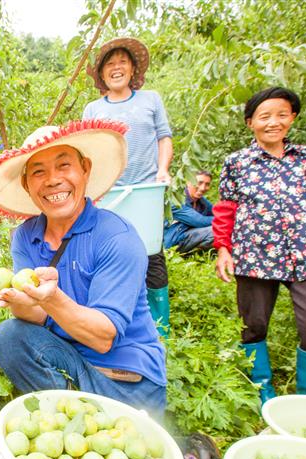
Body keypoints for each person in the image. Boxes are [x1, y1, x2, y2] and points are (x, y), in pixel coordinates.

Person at [0, 120, 167, 417]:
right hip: (72, 357)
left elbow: (102, 338)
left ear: (85, 169)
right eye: (38, 172)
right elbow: (35, 315)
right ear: (27, 184)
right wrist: (16, 299)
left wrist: (51, 299)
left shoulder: (116, 237)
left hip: (125, 380)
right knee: (9, 336)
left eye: (64, 166)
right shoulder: (26, 236)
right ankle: (69, 417)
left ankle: (94, 418)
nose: (52, 180)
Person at [213, 87, 306, 403]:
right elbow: (226, 208)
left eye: (281, 115)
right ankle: (260, 388)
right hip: (255, 251)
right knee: (252, 323)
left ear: (292, 117)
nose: (273, 123)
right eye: (264, 116)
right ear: (250, 122)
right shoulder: (237, 162)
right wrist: (223, 247)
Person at [83, 37, 174, 338]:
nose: (116, 68)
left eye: (122, 61)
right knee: (113, 253)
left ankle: (160, 327)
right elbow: (87, 151)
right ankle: (119, 319)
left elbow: (164, 138)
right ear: (102, 74)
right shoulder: (93, 109)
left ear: (133, 68)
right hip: (110, 193)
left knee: (151, 253)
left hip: (145, 190)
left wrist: (162, 170)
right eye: (110, 64)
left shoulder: (150, 100)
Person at [164, 170, 214, 253]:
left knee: (222, 228)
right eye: (199, 182)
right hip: (174, 241)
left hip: (190, 236)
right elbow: (199, 221)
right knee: (214, 231)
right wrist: (223, 219)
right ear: (188, 182)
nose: (203, 188)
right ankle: (188, 253)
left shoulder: (201, 201)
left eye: (207, 184)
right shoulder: (176, 200)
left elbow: (216, 212)